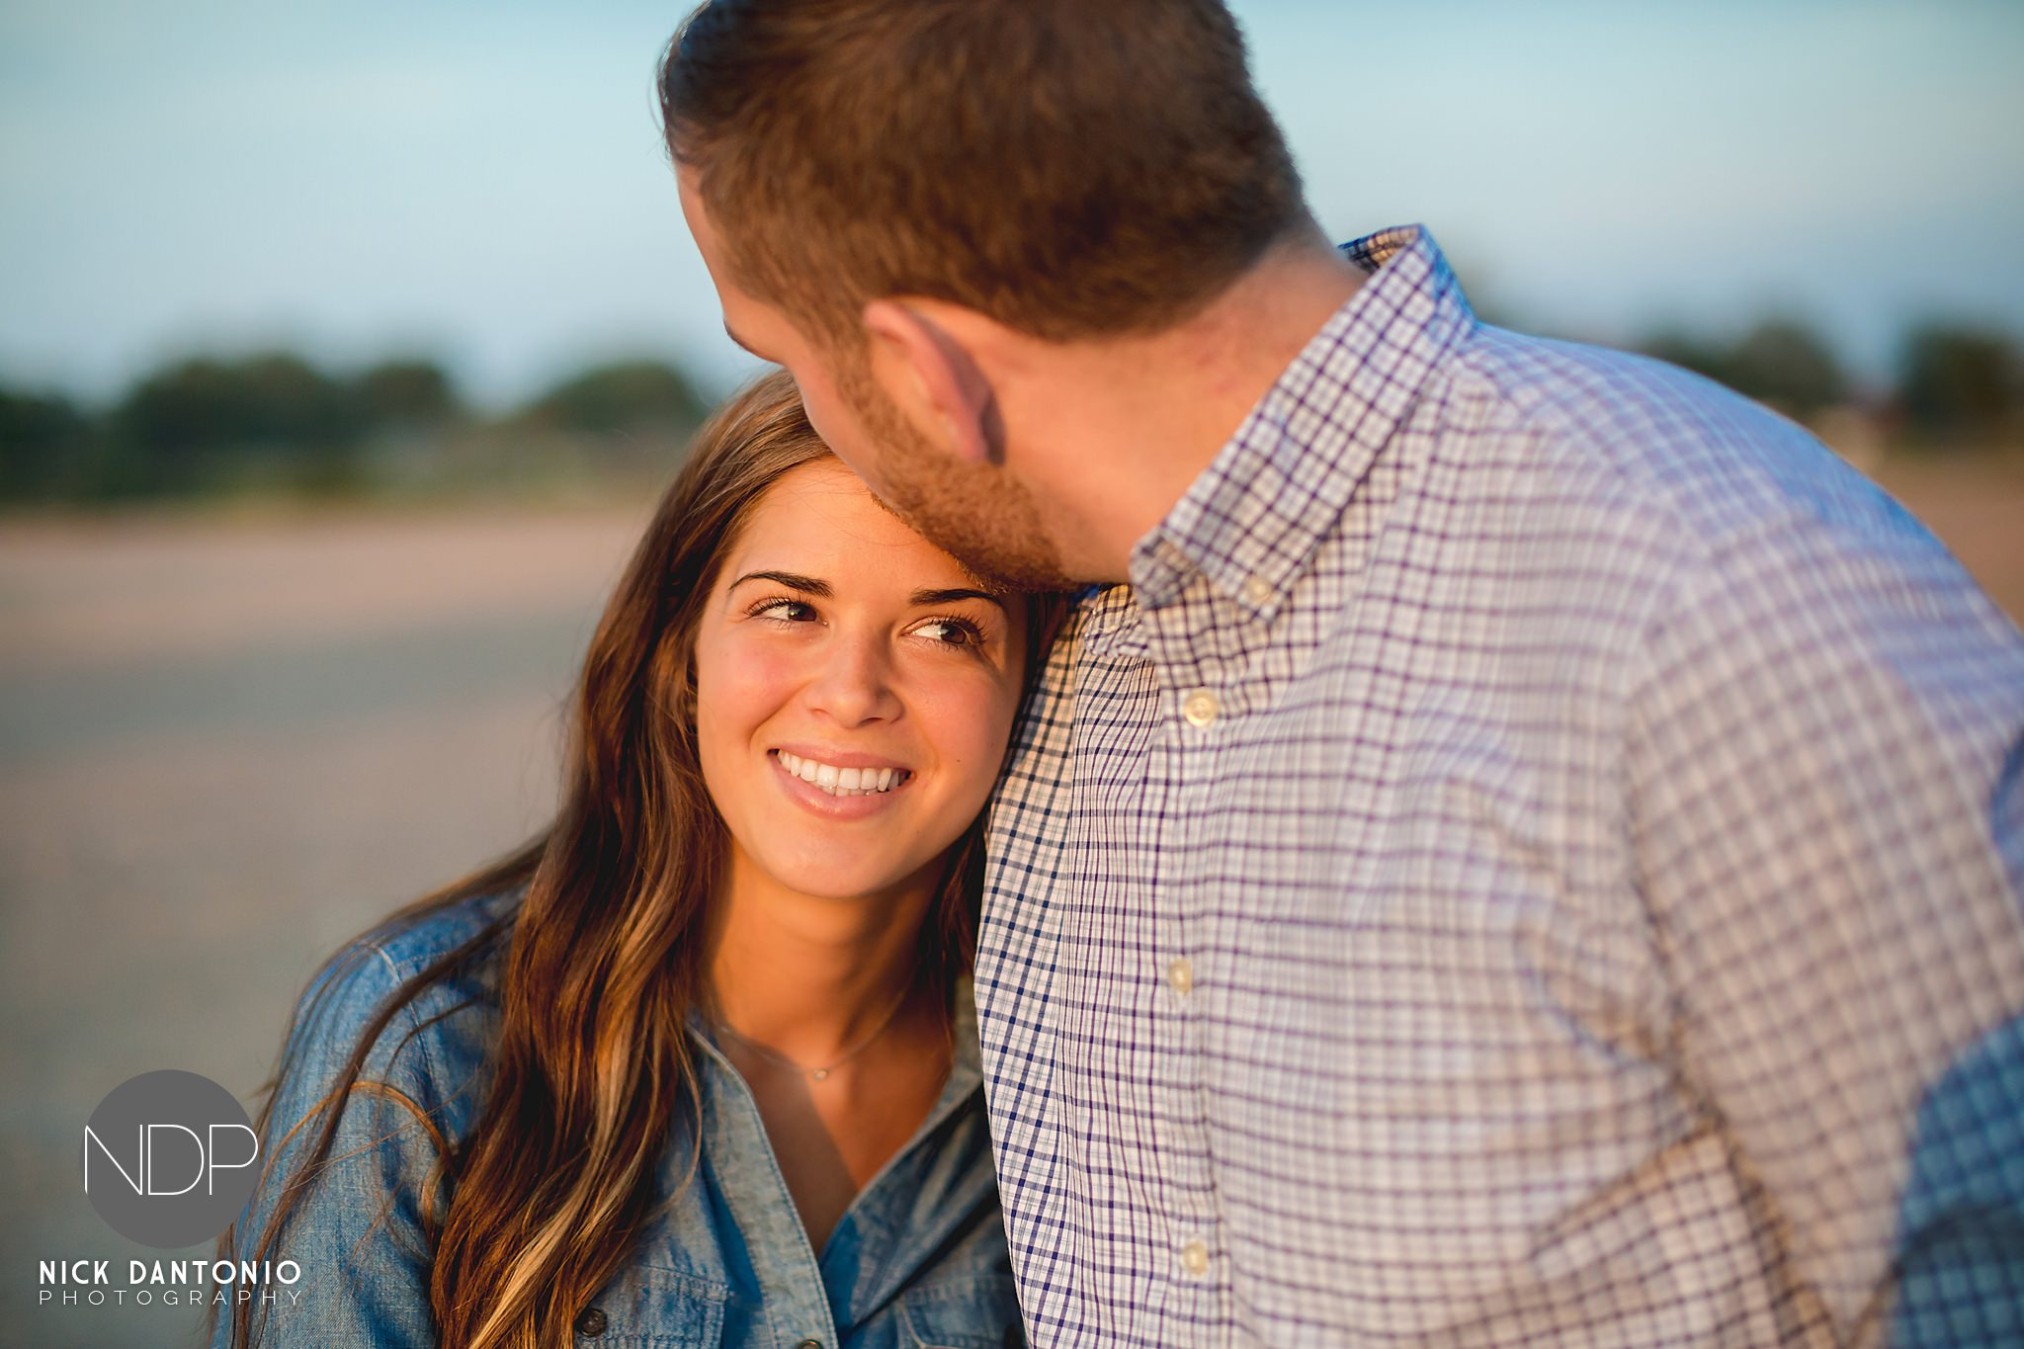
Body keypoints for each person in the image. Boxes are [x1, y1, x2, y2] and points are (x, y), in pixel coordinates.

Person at [659, 2, 2024, 1345]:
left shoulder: (1722, 597)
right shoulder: (1050, 644)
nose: (810, 416)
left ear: (927, 369)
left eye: (782, 354)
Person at [210, 371, 1044, 1349]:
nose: (851, 692)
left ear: (1029, 684)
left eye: (946, 629)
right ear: (680, 653)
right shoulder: (418, 1045)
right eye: (789, 610)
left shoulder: (1061, 1080)